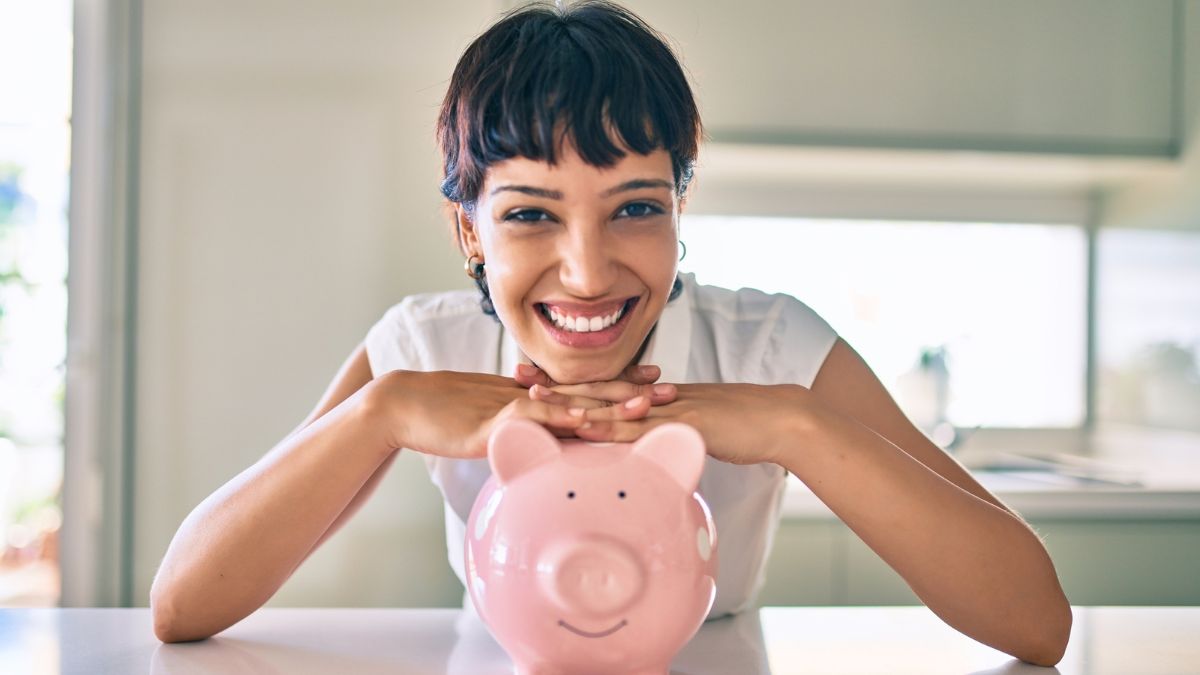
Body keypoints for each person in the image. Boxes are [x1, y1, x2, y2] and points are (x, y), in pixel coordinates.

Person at [150, 0, 1072, 665]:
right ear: (468, 229)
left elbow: (1037, 622)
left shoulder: (771, 348)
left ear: (681, 204)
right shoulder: (423, 350)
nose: (588, 272)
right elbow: (184, 603)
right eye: (529, 216)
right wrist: (379, 412)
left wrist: (796, 426)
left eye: (635, 206)